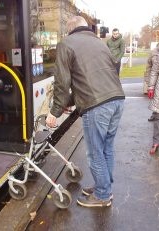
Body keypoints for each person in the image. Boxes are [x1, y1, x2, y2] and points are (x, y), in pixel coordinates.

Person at [45, 16, 125, 207]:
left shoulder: (66, 44)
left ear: (69, 29)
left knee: (95, 153)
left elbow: (62, 83)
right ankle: (103, 187)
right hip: (117, 100)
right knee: (106, 149)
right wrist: (72, 101)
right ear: (85, 27)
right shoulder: (100, 43)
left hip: (96, 106)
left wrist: (54, 112)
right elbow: (94, 78)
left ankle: (103, 195)